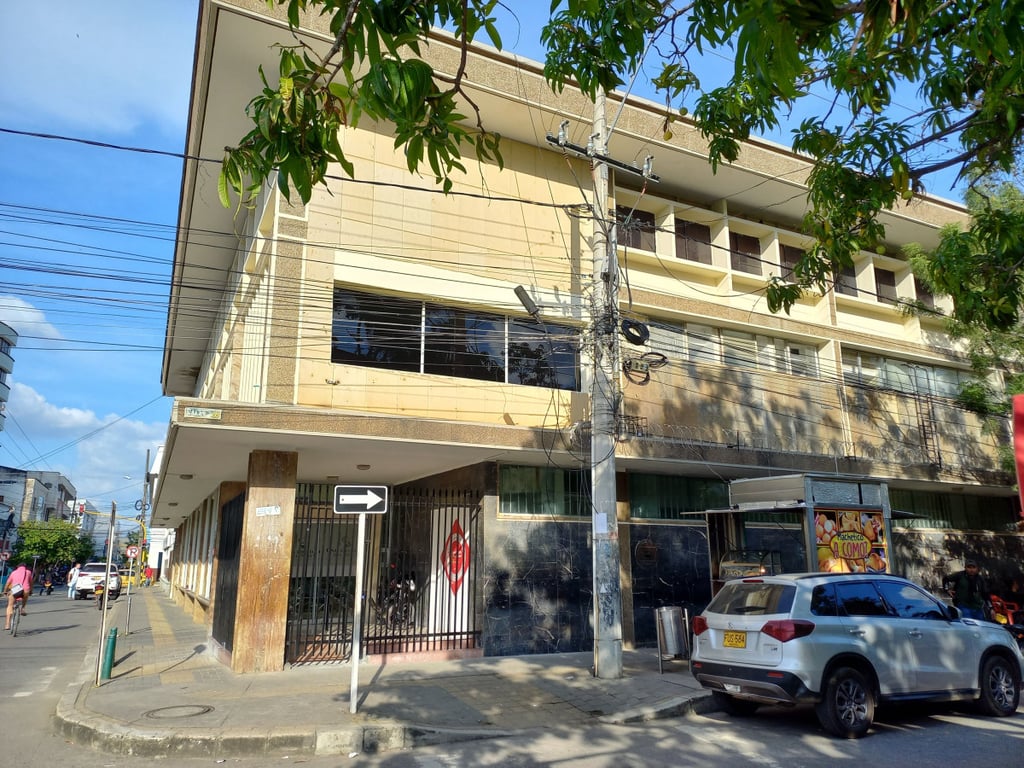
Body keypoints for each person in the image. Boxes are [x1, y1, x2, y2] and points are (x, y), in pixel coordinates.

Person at [3, 561, 34, 631]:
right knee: (25, 596)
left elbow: (8, 583)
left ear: (17, 567)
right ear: (25, 567)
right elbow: (31, 583)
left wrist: (5, 591)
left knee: (10, 605)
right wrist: (31, 591)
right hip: (25, 590)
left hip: (15, 590)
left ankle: (7, 624)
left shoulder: (13, 573)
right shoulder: (28, 572)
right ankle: (22, 609)